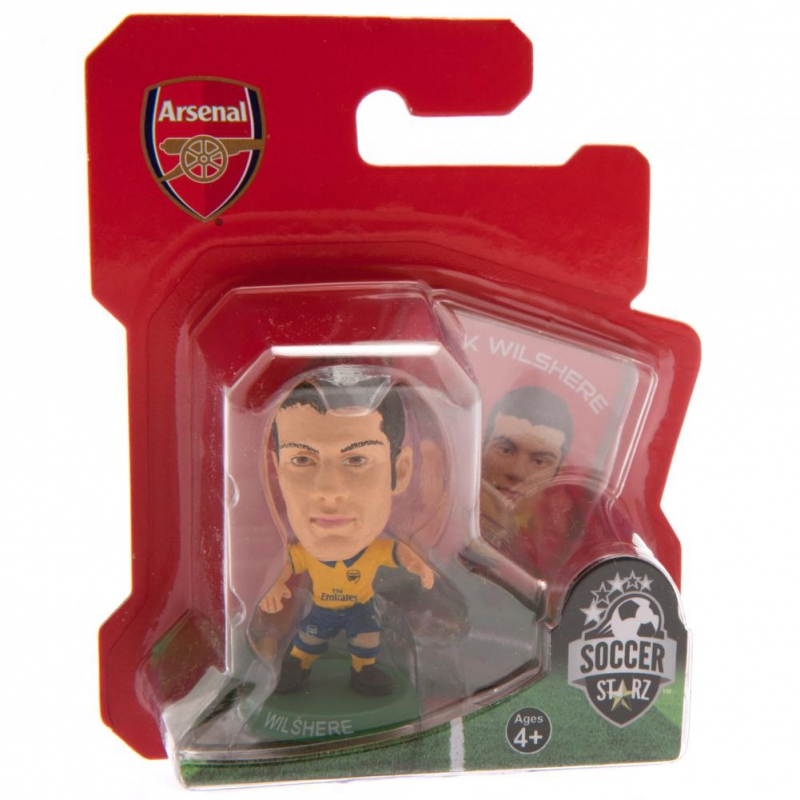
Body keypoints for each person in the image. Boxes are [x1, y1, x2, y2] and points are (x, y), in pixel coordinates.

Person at [259, 373, 435, 697]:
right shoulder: (305, 553)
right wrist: (272, 585)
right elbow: (286, 566)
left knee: (366, 640)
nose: (329, 490)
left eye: (356, 459)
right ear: (276, 469)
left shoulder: (374, 550)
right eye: (301, 459)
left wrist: (420, 565)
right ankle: (297, 666)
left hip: (361, 608)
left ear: (400, 471)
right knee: (308, 640)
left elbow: (399, 553)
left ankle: (364, 671)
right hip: (322, 609)